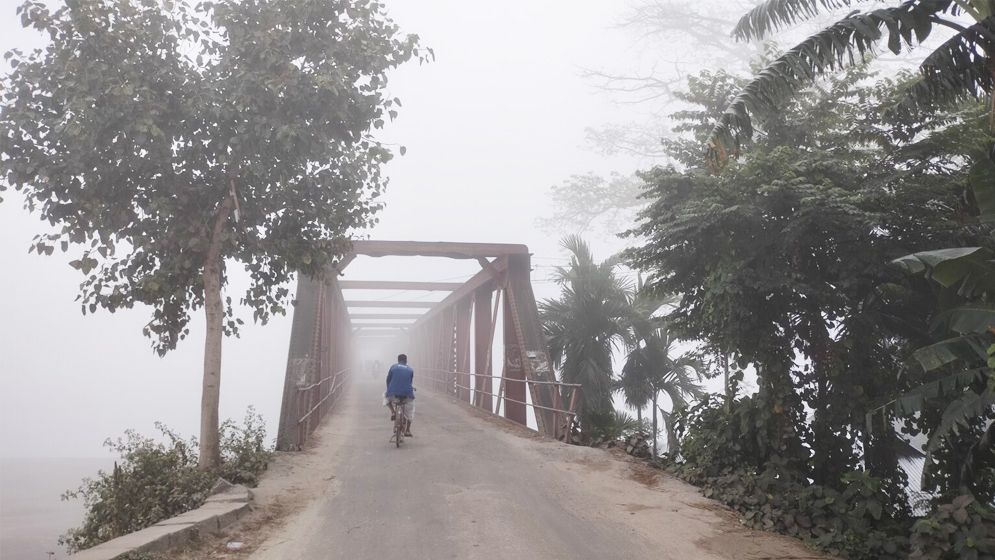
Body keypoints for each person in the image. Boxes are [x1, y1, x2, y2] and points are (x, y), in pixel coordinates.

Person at [385, 354, 415, 437]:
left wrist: (388, 389)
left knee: (386, 398)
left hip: (393, 394)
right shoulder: (410, 369)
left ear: (398, 360)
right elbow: (410, 382)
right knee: (411, 410)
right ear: (406, 361)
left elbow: (388, 380)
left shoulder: (393, 367)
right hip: (407, 394)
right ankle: (408, 430)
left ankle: (393, 412)